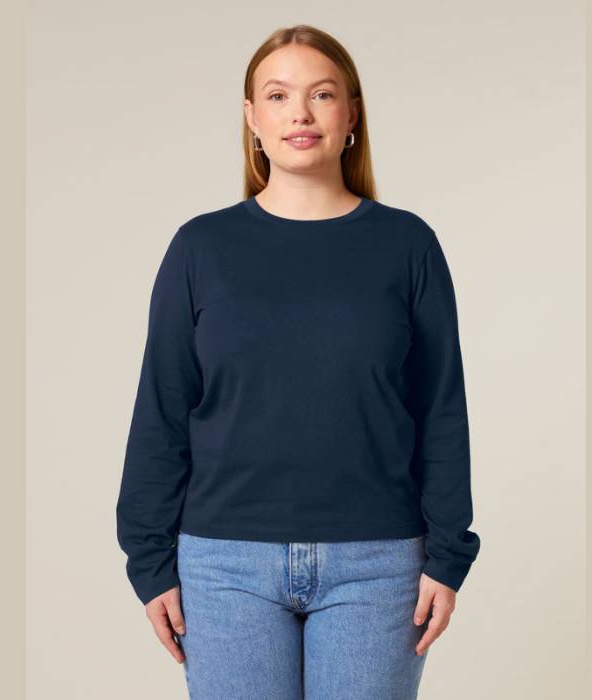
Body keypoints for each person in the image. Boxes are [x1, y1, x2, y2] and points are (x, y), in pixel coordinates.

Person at [116, 24, 481, 700]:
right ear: (252, 118)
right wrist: (149, 559)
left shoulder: (407, 246)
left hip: (379, 564)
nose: (301, 114)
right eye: (278, 96)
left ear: (351, 114)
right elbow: (163, 409)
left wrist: (449, 554)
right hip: (224, 565)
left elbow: (440, 408)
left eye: (322, 94)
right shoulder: (201, 249)